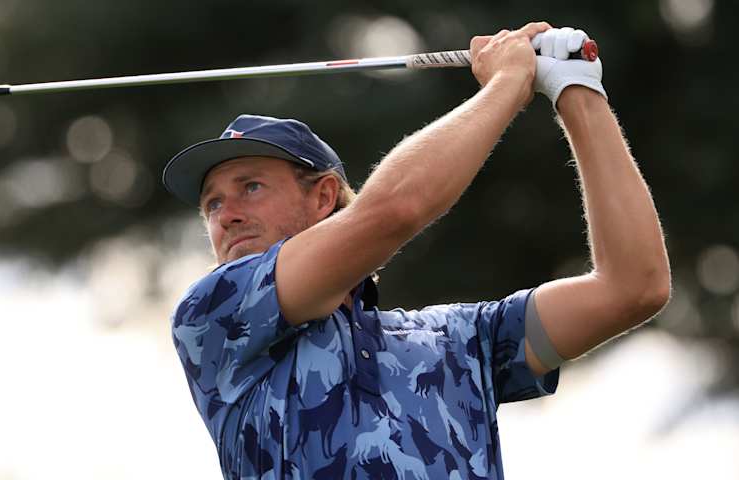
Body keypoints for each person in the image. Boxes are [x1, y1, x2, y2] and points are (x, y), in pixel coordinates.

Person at [163, 22, 671, 480]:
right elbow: (396, 210)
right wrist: (506, 84)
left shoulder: (459, 339)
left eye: (249, 186)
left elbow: (634, 286)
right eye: (211, 204)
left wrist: (576, 88)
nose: (225, 214)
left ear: (322, 197)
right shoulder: (214, 313)